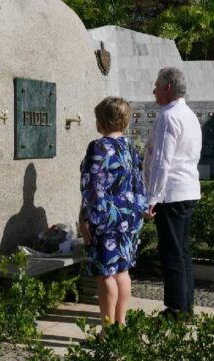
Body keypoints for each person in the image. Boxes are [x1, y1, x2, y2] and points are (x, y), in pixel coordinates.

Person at [79, 96, 147, 325]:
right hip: (129, 216)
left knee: (105, 273)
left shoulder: (98, 147)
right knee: (122, 270)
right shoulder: (130, 147)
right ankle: (121, 324)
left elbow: (92, 186)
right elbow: (139, 182)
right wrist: (140, 210)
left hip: (106, 217)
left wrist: (87, 219)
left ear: (104, 121)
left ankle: (107, 331)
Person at [143, 67, 202, 318]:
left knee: (172, 253)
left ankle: (176, 309)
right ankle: (185, 306)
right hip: (186, 189)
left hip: (171, 193)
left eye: (157, 85)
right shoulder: (188, 114)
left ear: (168, 88)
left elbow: (161, 161)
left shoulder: (168, 116)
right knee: (182, 252)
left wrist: (152, 198)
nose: (153, 90)